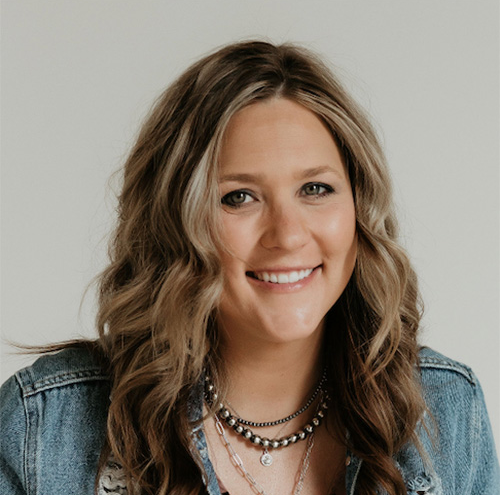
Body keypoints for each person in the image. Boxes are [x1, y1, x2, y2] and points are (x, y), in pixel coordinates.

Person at [0, 40, 498, 495]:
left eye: (316, 189)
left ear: (359, 211)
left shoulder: (446, 411)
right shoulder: (46, 427)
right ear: (174, 221)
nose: (287, 235)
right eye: (239, 197)